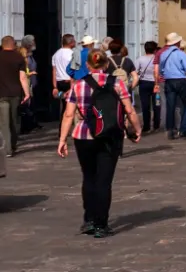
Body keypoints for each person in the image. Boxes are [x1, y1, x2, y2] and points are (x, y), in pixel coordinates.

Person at [56, 38, 141, 238]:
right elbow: (129, 110)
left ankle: (89, 220)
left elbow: (68, 115)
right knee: (104, 180)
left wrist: (62, 139)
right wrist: (136, 129)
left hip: (83, 135)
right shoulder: (117, 83)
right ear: (105, 65)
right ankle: (101, 224)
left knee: (89, 177)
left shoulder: (78, 86)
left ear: (87, 65)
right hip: (110, 134)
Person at [0, 35, 30, 156]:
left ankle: (7, 149)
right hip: (15, 94)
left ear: (2, 45)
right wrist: (27, 93)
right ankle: (12, 145)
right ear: (13, 45)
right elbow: (23, 77)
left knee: (4, 122)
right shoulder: (19, 58)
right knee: (13, 121)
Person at [159, 32, 186, 139]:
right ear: (177, 42)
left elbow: (161, 69)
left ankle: (170, 129)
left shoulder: (163, 54)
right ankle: (184, 129)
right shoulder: (181, 54)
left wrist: (165, 74)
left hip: (168, 81)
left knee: (170, 106)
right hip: (180, 80)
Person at [136, 41, 161, 134]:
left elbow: (136, 71)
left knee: (145, 106)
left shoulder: (140, 59)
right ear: (155, 49)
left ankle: (146, 126)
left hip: (144, 83)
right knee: (157, 104)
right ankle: (156, 125)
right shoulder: (158, 59)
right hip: (156, 84)